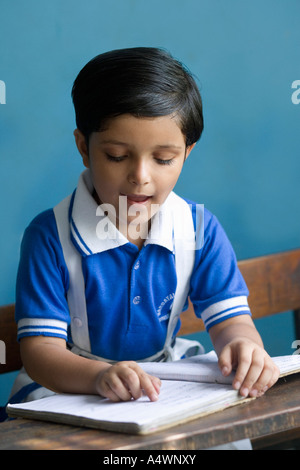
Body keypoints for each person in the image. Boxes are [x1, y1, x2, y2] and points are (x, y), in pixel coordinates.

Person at [10, 48, 279, 419]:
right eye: (118, 156)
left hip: (162, 382)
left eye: (163, 159)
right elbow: (41, 353)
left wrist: (243, 345)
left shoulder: (198, 230)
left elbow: (231, 321)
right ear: (83, 148)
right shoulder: (50, 237)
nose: (141, 175)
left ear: (187, 153)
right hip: (72, 386)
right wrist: (100, 376)